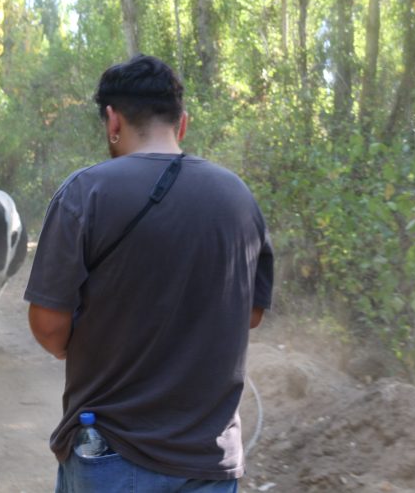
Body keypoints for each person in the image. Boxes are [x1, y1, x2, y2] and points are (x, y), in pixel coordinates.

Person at [25, 55, 273, 493]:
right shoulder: (238, 197)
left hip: (113, 455)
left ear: (112, 119)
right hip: (209, 460)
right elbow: (251, 313)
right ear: (182, 124)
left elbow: (48, 327)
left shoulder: (85, 192)